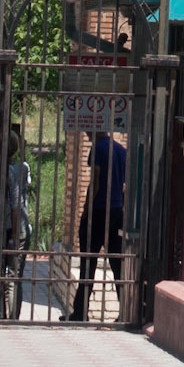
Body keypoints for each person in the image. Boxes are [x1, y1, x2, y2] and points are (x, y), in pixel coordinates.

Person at [70, 129, 126, 322]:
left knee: (88, 261)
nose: (85, 133)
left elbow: (95, 180)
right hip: (116, 212)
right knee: (117, 264)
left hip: (99, 210)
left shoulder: (98, 148)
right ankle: (126, 312)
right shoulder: (120, 150)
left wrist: (87, 209)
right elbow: (125, 183)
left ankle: (79, 313)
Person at [4, 127, 31, 320]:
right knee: (15, 277)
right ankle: (12, 317)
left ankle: (8, 317)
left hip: (13, 227)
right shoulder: (23, 167)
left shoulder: (12, 169)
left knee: (10, 278)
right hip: (20, 227)